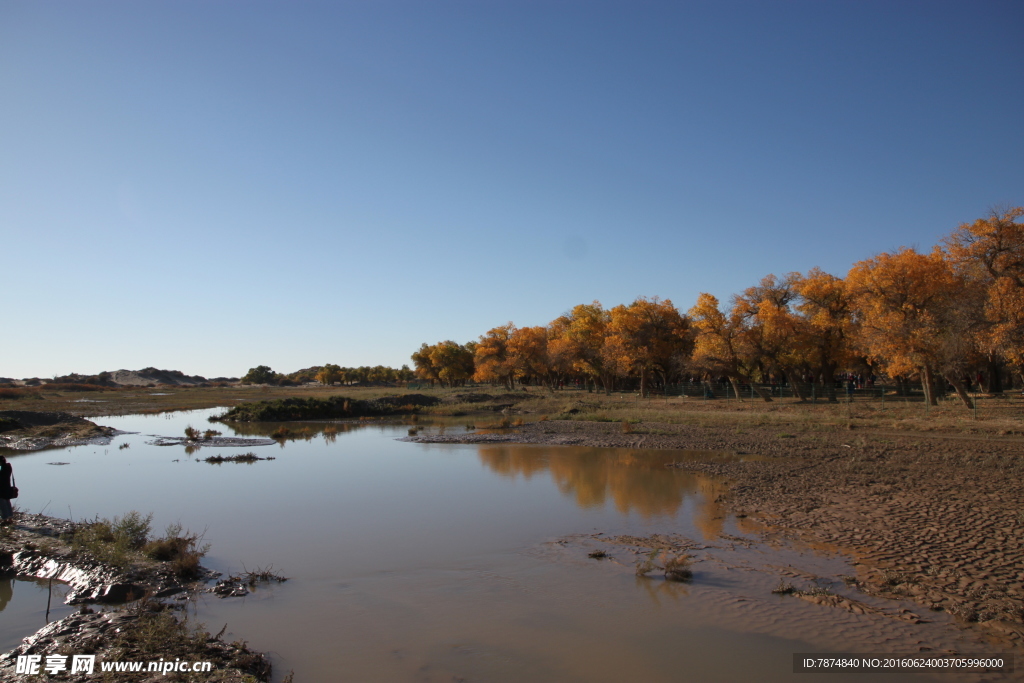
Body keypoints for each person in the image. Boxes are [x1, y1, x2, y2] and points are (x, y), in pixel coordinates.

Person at [0, 455, 13, 525]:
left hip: (2, 489)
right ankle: (10, 518)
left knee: (2, 505)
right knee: (7, 503)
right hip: (8, 487)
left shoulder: (3, 469)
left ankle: (5, 520)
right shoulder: (8, 467)